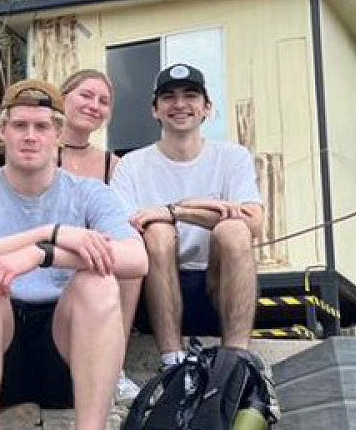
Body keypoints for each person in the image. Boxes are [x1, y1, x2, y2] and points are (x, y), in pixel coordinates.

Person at [0, 79, 148, 430]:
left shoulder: (89, 193)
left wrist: (44, 254)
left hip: (66, 343)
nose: (30, 136)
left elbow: (136, 260)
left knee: (98, 283)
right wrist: (47, 233)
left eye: (41, 126)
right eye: (19, 125)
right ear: (3, 131)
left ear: (58, 133)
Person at [110, 63, 263, 371]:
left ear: (206, 108)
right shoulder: (132, 165)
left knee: (233, 230)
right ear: (155, 110)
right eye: (168, 97)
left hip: (217, 284)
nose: (180, 105)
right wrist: (208, 210)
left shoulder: (233, 157)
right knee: (157, 233)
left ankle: (235, 361)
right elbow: (126, 228)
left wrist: (176, 211)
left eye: (190, 96)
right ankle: (171, 359)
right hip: (154, 291)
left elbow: (255, 223)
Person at [58, 69, 140, 399]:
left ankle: (114, 365)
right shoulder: (39, 150)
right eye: (86, 95)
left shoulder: (114, 165)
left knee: (130, 254)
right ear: (63, 98)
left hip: (98, 259)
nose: (95, 105)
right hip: (52, 252)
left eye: (104, 101)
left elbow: (123, 220)